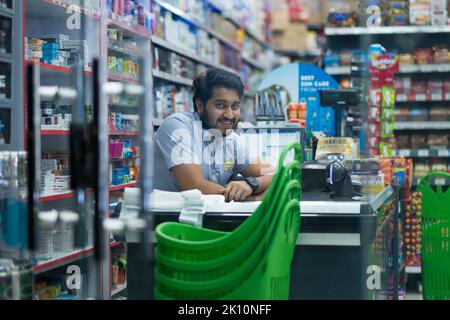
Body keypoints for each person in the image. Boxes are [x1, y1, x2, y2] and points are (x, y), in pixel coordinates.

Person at [153, 68, 275, 202]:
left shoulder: (231, 140)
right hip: (163, 220)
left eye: (234, 106)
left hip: (204, 218)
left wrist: (252, 184)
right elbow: (195, 187)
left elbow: (275, 174)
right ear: (200, 105)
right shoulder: (178, 127)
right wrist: (255, 198)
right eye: (220, 105)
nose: (229, 115)